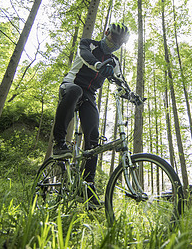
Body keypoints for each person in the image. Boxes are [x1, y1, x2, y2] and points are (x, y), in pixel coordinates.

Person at [52, 23, 138, 209]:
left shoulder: (114, 62)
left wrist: (131, 95)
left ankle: (88, 190)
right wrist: (99, 65)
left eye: (120, 42)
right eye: (114, 38)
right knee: (75, 91)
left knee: (93, 138)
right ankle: (59, 143)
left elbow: (120, 81)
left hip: (89, 96)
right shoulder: (88, 44)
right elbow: (85, 56)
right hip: (71, 85)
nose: (116, 44)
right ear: (107, 33)